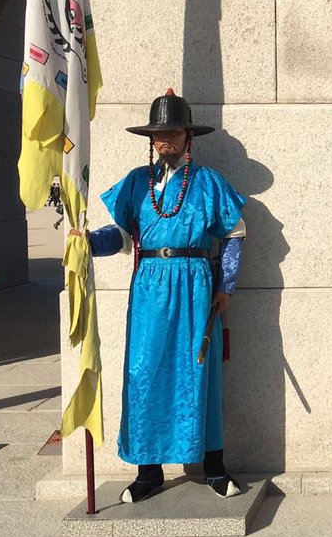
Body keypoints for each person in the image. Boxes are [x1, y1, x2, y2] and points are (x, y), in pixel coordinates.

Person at [80, 90, 247, 502]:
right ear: (150, 139)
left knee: (199, 374)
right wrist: (85, 242)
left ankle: (213, 467)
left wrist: (225, 285)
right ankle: (148, 471)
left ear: (188, 136)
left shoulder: (208, 183)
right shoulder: (138, 183)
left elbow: (235, 233)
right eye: (158, 133)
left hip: (195, 283)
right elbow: (119, 235)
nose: (165, 139)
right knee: (144, 371)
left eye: (172, 131)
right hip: (150, 285)